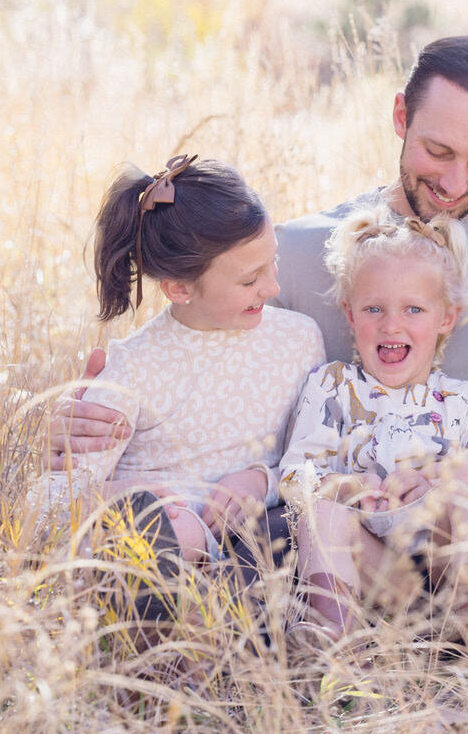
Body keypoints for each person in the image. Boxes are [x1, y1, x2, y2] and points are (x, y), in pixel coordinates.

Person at [51, 36, 468, 612]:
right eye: (438, 152)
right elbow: (206, 358)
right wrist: (95, 418)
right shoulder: (303, 246)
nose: (452, 184)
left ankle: (455, 601)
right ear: (400, 116)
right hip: (344, 519)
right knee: (265, 543)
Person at [37, 155, 323, 586]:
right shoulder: (135, 366)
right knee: (171, 534)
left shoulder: (299, 339)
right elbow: (48, 504)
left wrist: (261, 481)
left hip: (258, 536)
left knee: (304, 525)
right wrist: (103, 496)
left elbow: (317, 453)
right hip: (161, 543)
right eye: (250, 280)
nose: (273, 288)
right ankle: (168, 629)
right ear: (179, 288)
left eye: (273, 263)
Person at [278, 207, 468, 638]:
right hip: (377, 574)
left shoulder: (466, 403)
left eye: (413, 310)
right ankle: (331, 636)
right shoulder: (332, 387)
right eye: (373, 309)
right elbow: (294, 477)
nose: (391, 325)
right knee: (321, 515)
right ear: (349, 314)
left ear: (446, 318)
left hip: (450, 571)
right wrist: (348, 487)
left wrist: (441, 482)